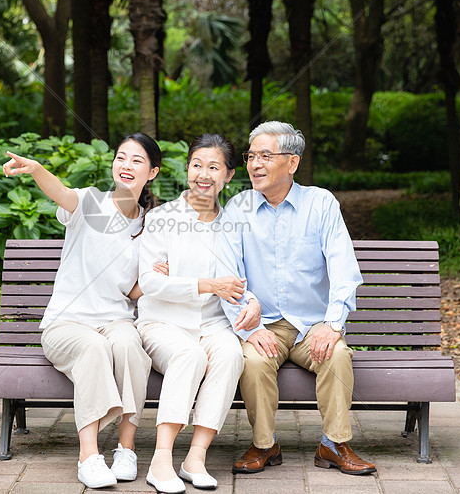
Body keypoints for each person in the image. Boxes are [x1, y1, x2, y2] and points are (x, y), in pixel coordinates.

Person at [2, 133, 161, 489]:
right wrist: (36, 169)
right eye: (121, 157)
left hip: (116, 320)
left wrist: (157, 277)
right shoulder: (91, 202)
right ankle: (88, 455)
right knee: (94, 348)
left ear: (152, 172)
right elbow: (61, 192)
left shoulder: (149, 225)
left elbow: (133, 290)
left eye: (137, 160)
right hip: (67, 325)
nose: (126, 165)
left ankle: (126, 448)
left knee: (130, 347)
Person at [217, 121, 377, 476]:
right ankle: (265, 444)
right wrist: (248, 328)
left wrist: (332, 324)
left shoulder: (320, 204)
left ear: (292, 163)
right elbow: (228, 276)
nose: (255, 164)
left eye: (265, 156)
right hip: (263, 324)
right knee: (254, 363)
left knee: (336, 355)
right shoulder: (238, 207)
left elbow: (344, 270)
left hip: (311, 326)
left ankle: (333, 444)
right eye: (250, 156)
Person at [135, 134, 261, 493]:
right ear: (187, 168)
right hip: (162, 322)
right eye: (196, 165)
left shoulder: (233, 223)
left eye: (213, 167)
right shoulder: (162, 218)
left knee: (230, 354)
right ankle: (161, 460)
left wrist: (251, 300)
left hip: (213, 323)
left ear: (228, 176)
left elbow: (237, 278)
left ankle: (195, 457)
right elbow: (151, 283)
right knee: (188, 355)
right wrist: (208, 284)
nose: (203, 174)